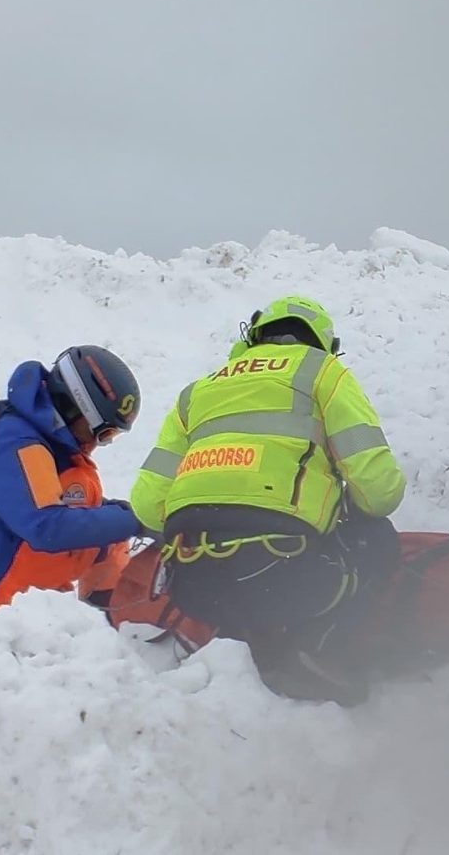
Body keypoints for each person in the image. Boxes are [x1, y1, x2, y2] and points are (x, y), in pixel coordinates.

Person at [129, 296, 406, 704]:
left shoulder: (197, 392)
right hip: (285, 574)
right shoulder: (322, 373)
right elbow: (378, 490)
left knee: (241, 578)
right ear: (323, 343)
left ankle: (238, 644)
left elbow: (147, 505)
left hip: (191, 582)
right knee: (378, 538)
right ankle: (314, 649)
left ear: (255, 335)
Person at [0, 344, 146, 609]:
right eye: (103, 434)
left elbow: (53, 501)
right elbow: (47, 528)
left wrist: (123, 513)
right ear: (74, 408)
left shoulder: (42, 439)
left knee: (111, 533)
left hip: (13, 576)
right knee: (111, 527)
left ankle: (107, 622)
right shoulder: (13, 443)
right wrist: (136, 521)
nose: (100, 443)